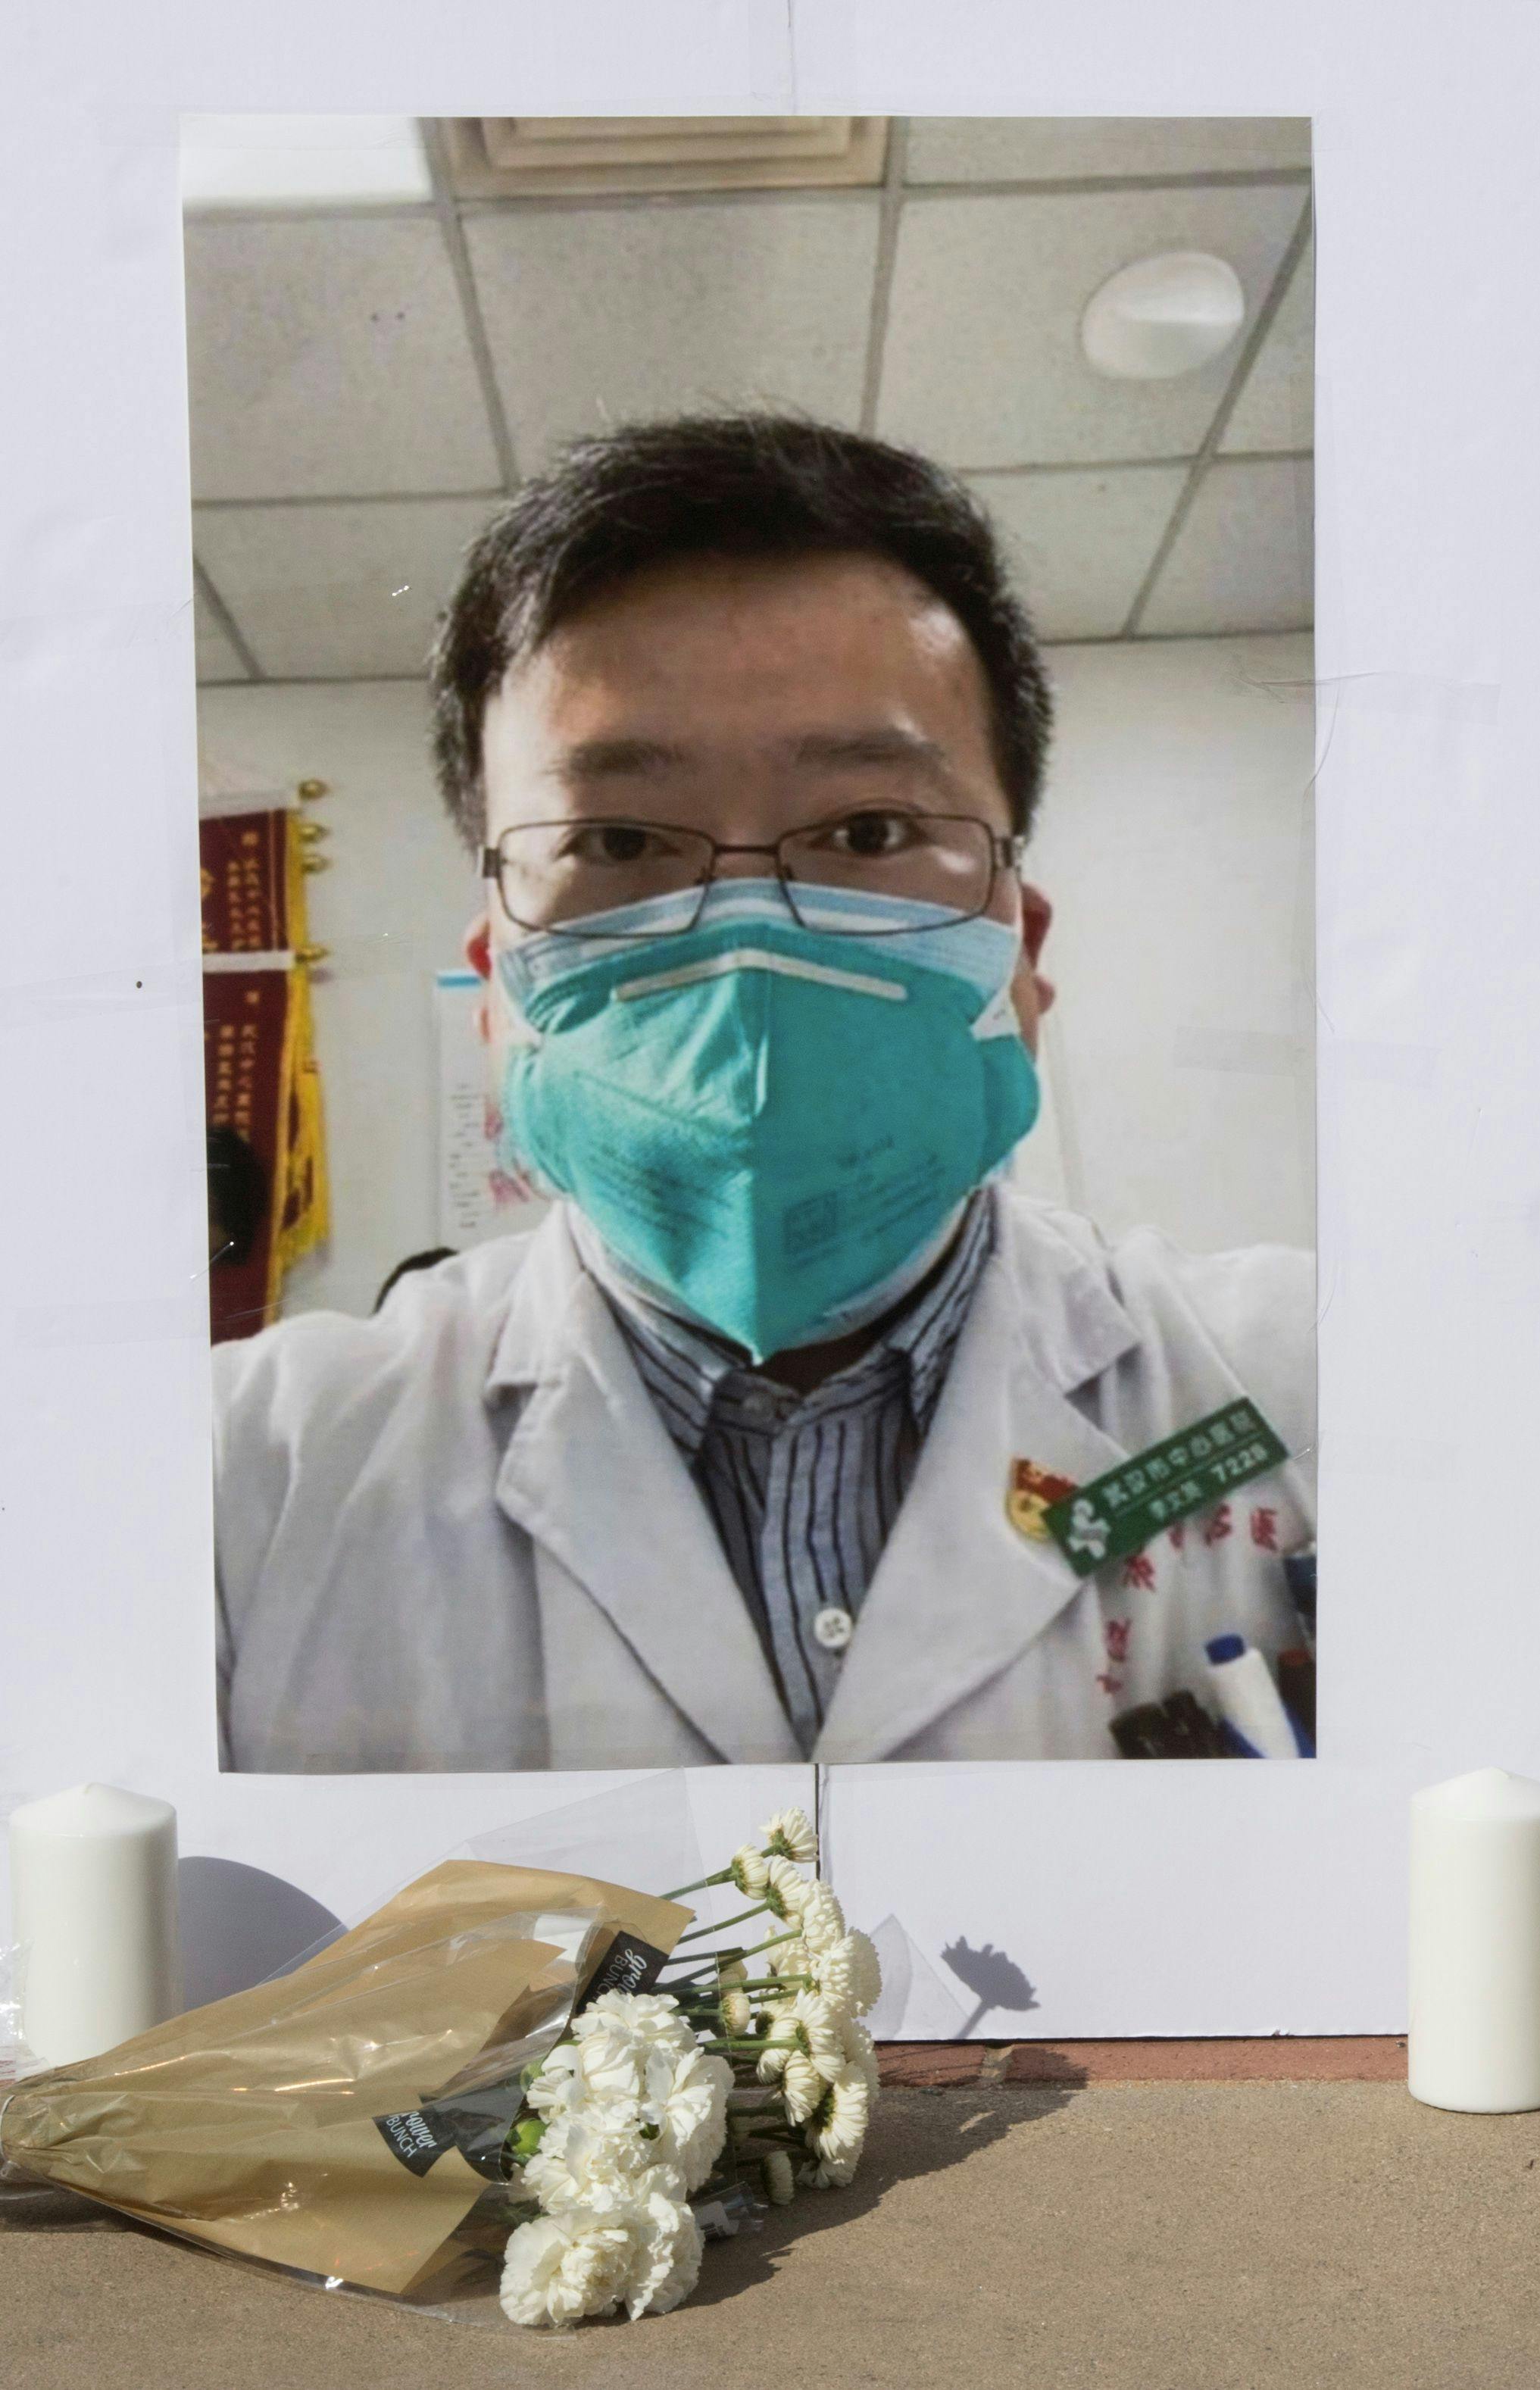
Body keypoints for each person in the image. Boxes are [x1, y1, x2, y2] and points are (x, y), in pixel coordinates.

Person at [214, 415, 1315, 1771]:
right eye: (616, 840)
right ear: (500, 985)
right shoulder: (240, 1486)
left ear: (1019, 958)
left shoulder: (1326, 1388)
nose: (744, 940)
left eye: (869, 831)